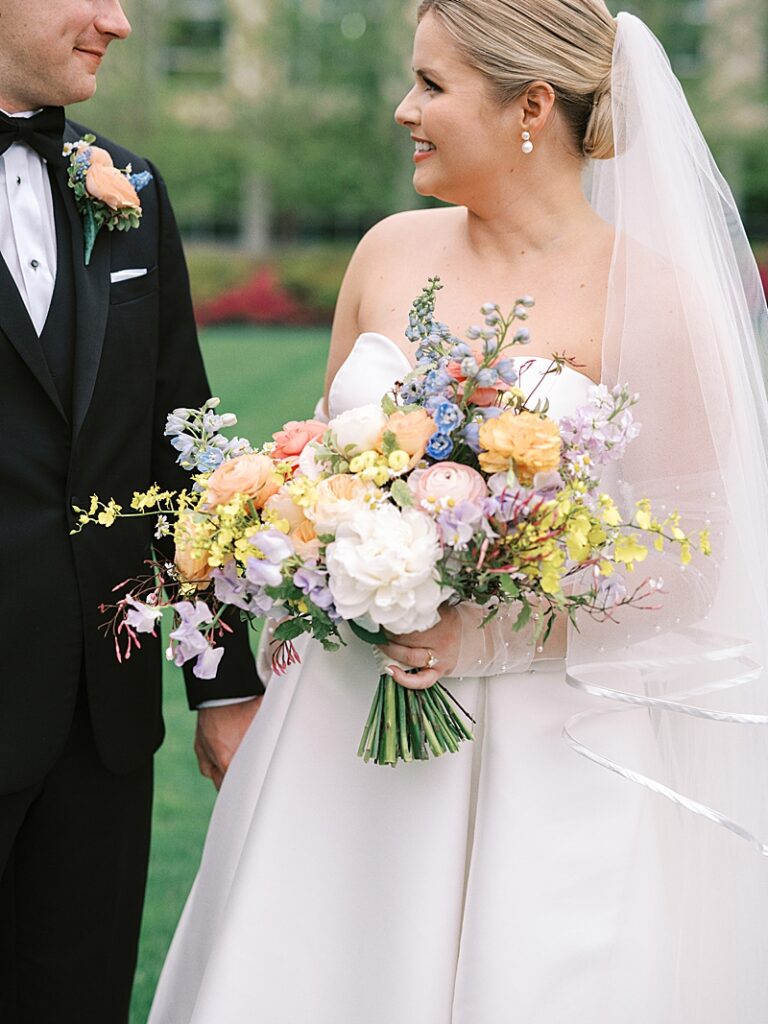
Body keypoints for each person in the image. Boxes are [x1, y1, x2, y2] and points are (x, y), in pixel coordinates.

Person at [149, 2, 768, 1022]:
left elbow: (694, 572)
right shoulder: (387, 252)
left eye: (433, 86)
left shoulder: (655, 298)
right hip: (341, 731)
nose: (404, 109)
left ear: (532, 103)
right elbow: (317, 463)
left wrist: (488, 629)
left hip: (546, 750)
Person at [0, 2, 263, 1021]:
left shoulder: (133, 187)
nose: (117, 20)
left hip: (99, 727)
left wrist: (220, 682)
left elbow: (178, 441)